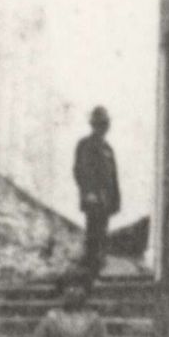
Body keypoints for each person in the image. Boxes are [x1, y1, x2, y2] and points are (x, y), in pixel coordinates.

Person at [73, 106, 121, 279]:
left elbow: (113, 177)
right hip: (93, 199)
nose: (103, 127)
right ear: (93, 125)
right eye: (100, 124)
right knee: (93, 234)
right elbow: (80, 171)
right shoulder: (85, 145)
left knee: (102, 233)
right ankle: (90, 271)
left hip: (106, 200)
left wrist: (115, 200)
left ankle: (97, 268)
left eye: (105, 124)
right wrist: (88, 192)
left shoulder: (108, 148)